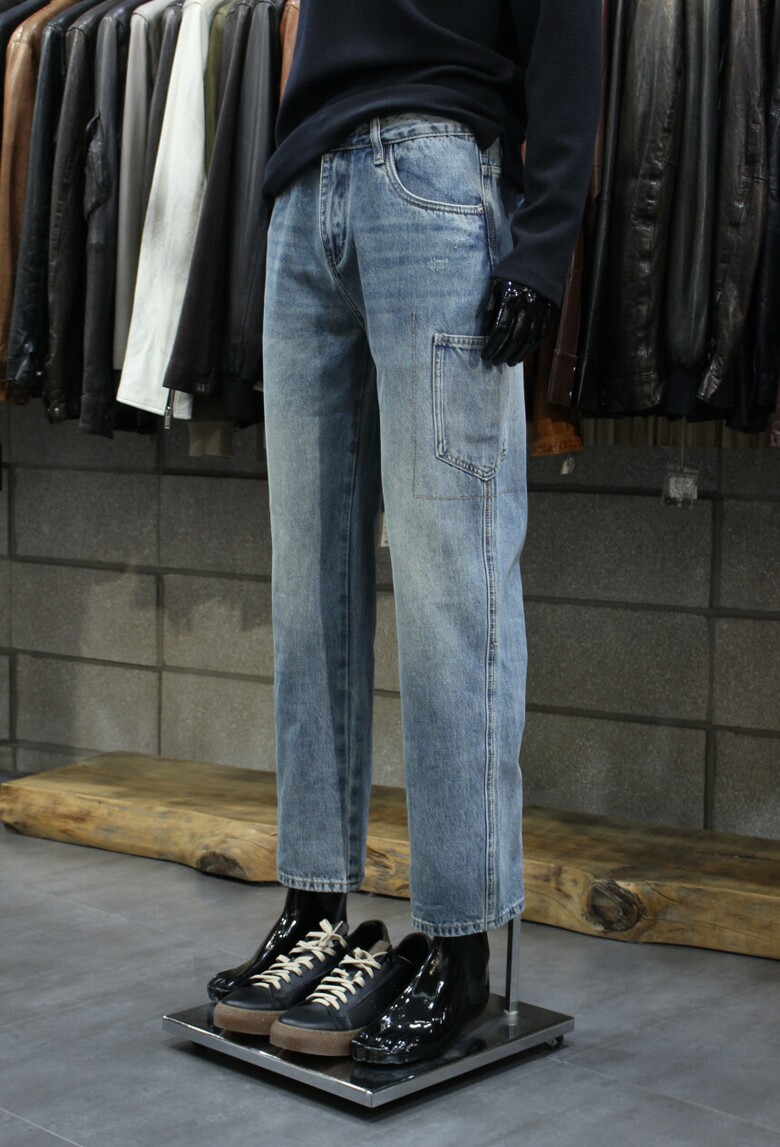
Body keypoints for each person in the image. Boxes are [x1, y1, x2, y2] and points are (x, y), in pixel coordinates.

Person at [210, 0, 601, 1065]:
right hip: (306, 185)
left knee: (448, 584)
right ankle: (313, 907)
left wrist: (544, 247)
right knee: (308, 586)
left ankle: (462, 949)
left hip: (431, 176)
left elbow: (571, 32)